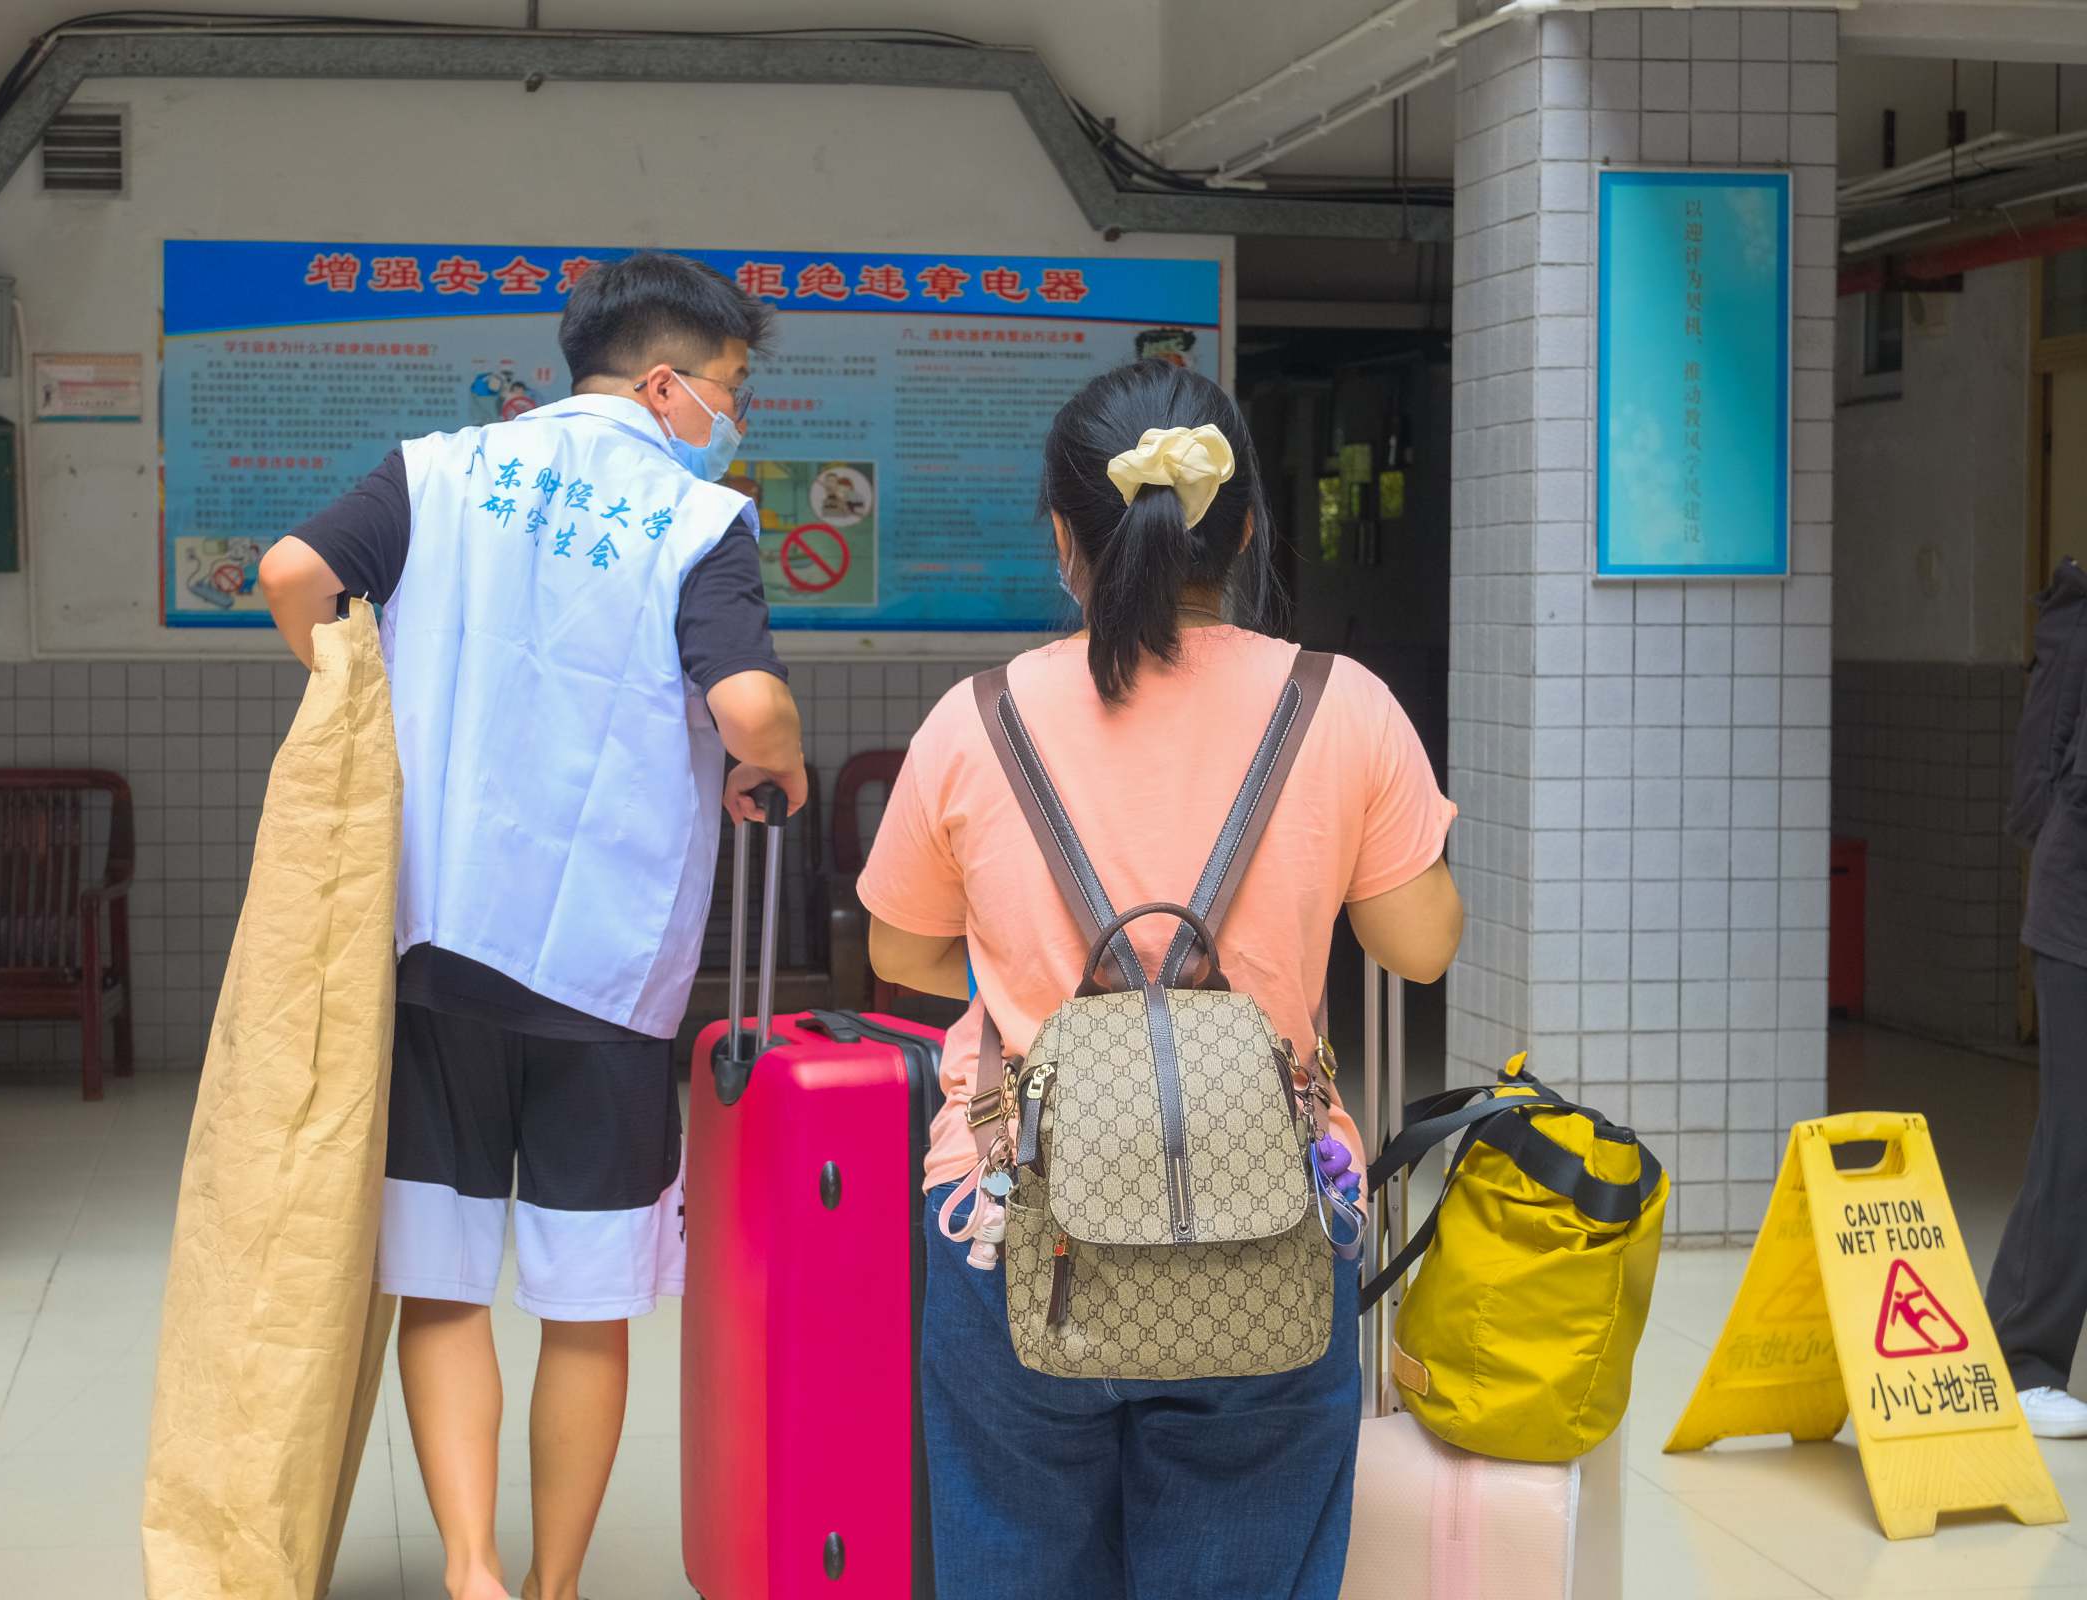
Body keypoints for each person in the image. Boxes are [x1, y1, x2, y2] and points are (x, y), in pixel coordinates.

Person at [856, 360, 1463, 1598]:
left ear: (1065, 537)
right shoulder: (1342, 706)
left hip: (1012, 1223)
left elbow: (899, 952)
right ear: (1242, 532)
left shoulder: (976, 719)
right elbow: (1422, 945)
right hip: (1268, 1219)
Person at [259, 251, 807, 1600]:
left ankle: (470, 1571)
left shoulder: (439, 470)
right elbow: (745, 708)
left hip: (435, 944)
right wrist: (779, 761)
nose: (733, 416)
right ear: (668, 385)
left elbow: (289, 571)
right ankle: (556, 1587)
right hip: (604, 974)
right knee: (587, 1300)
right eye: (731, 387)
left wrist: (357, 704)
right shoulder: (698, 520)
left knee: (442, 1281)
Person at [1992, 557, 2087, 1439]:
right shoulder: (2079, 623)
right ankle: (2021, 1359)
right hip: (2077, 919)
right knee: (2074, 1138)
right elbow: (2052, 791)